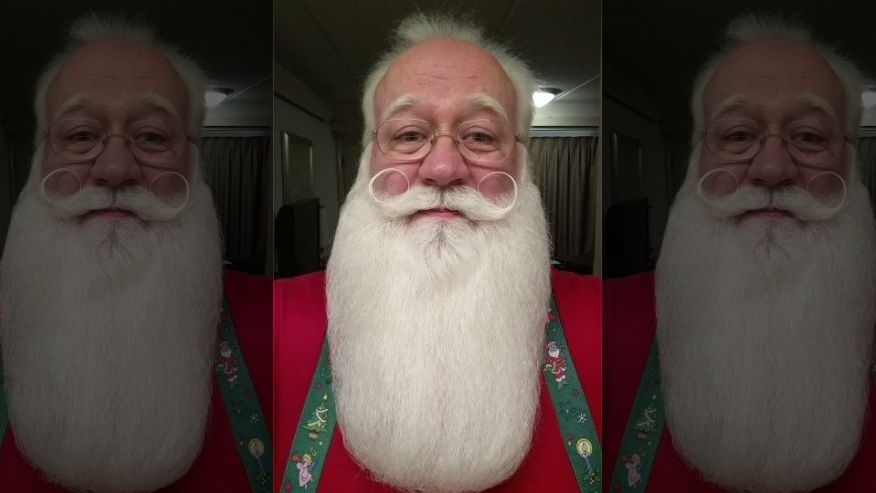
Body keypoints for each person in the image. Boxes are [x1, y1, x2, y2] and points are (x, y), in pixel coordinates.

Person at [274, 13, 602, 493]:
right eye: (408, 135)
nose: (444, 167)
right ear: (367, 160)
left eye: (481, 136)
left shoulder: (607, 321)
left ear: (524, 163)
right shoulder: (275, 318)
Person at [605, 15, 876, 492]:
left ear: (852, 164)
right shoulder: (602, 320)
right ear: (695, 161)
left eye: (810, 136)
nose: (772, 168)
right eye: (737, 135)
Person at [0, 15, 271, 492]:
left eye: (152, 136)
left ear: (194, 164)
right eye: (81, 135)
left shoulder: (276, 321)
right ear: (39, 157)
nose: (115, 168)